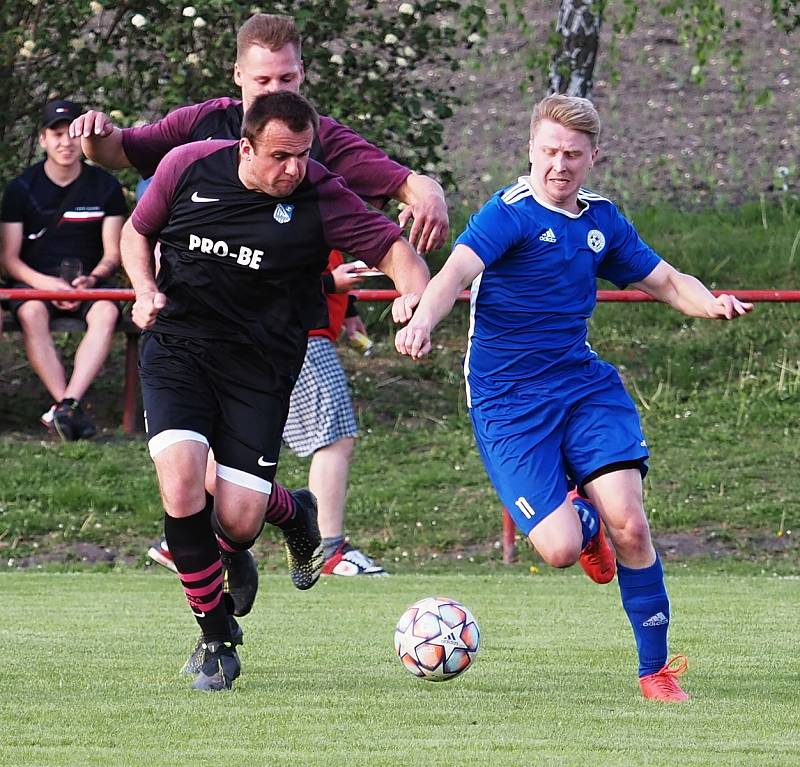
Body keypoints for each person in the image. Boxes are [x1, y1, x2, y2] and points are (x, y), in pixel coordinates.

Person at [395, 94, 752, 703]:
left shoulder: (601, 222)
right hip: (507, 401)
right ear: (531, 150)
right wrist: (423, 321)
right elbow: (453, 276)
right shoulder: (506, 214)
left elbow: (665, 280)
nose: (559, 165)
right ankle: (583, 526)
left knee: (632, 524)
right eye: (549, 152)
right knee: (559, 549)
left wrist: (708, 300)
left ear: (593, 157)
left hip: (582, 387)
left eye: (573, 155)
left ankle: (655, 671)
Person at [72, 11, 447, 585]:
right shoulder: (199, 131)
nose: (276, 91)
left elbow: (398, 199)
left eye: (288, 81)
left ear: (302, 77)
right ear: (238, 77)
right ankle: (215, 616)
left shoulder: (314, 139)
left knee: (241, 512)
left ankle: (255, 530)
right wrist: (95, 139)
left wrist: (427, 190)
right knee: (184, 468)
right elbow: (119, 154)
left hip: (269, 343)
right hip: (190, 335)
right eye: (264, 81)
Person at [122, 91, 429, 691]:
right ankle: (216, 638)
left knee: (238, 522)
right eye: (281, 156)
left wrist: (413, 300)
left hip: (260, 367)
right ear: (245, 146)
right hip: (178, 348)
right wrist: (143, 288)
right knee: (183, 484)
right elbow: (139, 232)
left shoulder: (321, 194)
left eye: (303, 154)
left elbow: (397, 252)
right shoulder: (186, 166)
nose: (294, 169)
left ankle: (293, 511)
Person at [0, 100, 126, 440]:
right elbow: (9, 259)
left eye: (72, 134)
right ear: (42, 139)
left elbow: (113, 253)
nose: (65, 143)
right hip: (34, 282)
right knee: (31, 315)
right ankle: (68, 409)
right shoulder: (20, 189)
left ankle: (65, 406)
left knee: (105, 314)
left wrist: (93, 279)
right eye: (56, 134)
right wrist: (46, 285)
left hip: (89, 282)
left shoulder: (106, 187)